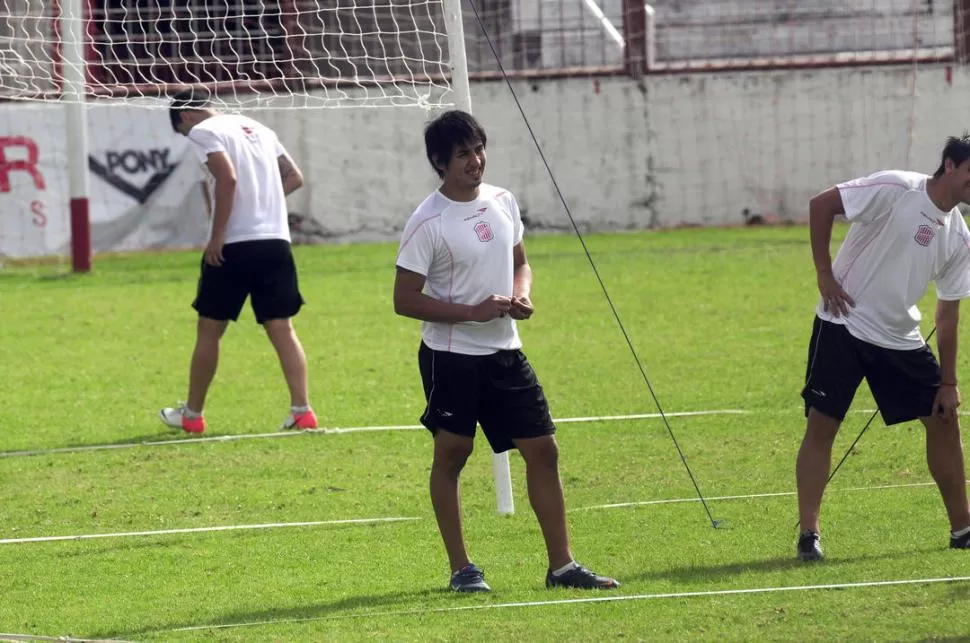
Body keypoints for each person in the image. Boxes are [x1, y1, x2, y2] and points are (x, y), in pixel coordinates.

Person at [393, 110, 619, 593]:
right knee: (452, 454)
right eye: (462, 154)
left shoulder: (503, 201)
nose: (475, 161)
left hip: (505, 352)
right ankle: (462, 570)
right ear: (439, 162)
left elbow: (520, 262)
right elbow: (404, 299)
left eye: (478, 149)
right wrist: (470, 312)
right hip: (451, 357)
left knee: (544, 450)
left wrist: (523, 293)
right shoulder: (426, 221)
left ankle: (562, 567)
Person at [796, 135, 970, 561]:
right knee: (823, 425)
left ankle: (963, 529)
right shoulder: (897, 188)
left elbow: (947, 316)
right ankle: (808, 537)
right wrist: (824, 274)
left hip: (898, 337)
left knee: (944, 419)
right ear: (950, 165)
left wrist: (948, 381)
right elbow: (822, 204)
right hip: (843, 322)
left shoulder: (960, 239)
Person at [158, 89, 318, 434]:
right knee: (282, 328)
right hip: (275, 241)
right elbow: (294, 177)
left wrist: (217, 236)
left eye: (184, 134)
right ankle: (302, 412)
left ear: (185, 117)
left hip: (234, 244)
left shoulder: (204, 132)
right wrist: (262, 202)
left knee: (209, 329)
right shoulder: (258, 128)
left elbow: (227, 179)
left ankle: (192, 415)